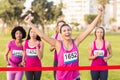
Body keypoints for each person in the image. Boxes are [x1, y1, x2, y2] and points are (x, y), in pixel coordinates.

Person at [24, 7, 103, 80]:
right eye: (64, 31)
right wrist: (29, 23)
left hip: (75, 77)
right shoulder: (58, 44)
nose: (67, 32)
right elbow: (42, 35)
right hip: (62, 77)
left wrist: (99, 15)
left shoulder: (76, 42)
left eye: (68, 30)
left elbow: (89, 29)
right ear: (60, 34)